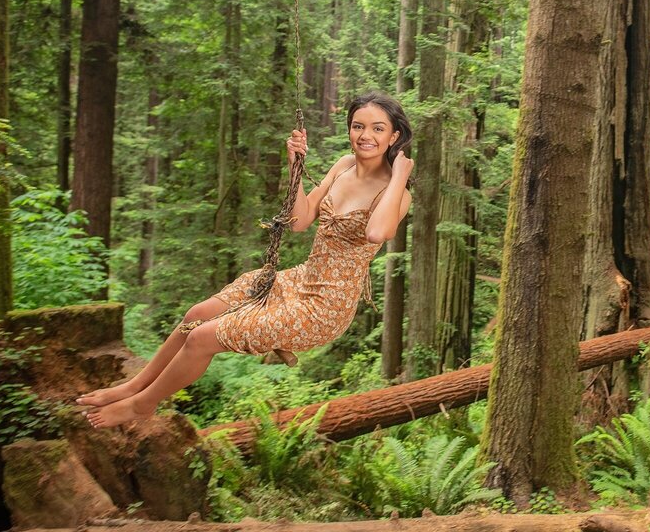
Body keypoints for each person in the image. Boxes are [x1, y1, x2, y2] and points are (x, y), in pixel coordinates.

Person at [78, 91, 414, 429]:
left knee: (201, 338)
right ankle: (135, 385)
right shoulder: (342, 166)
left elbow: (376, 233)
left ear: (393, 136)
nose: (366, 136)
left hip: (324, 307)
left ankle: (142, 405)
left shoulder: (396, 192)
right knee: (197, 314)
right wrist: (295, 166)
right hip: (298, 280)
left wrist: (399, 174)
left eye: (377, 129)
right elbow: (299, 222)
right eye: (358, 126)